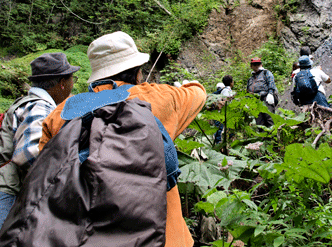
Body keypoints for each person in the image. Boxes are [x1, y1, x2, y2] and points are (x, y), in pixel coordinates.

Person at [38, 31, 207, 247]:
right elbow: (198, 93)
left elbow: (44, 171)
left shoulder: (61, 114)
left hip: (87, 237)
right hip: (165, 237)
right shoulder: (162, 98)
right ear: (137, 71)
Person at [0, 52, 79, 227]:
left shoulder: (29, 102)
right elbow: (28, 154)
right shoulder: (40, 107)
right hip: (7, 193)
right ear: (62, 83)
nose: (73, 84)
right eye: (72, 78)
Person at [246, 57, 277, 127]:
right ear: (251, 66)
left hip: (266, 99)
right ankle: (263, 137)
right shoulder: (250, 79)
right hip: (255, 102)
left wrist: (270, 93)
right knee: (259, 122)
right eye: (254, 64)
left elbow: (271, 83)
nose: (256, 65)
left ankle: (272, 137)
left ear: (261, 64)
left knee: (269, 120)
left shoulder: (266, 73)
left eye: (258, 64)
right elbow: (247, 90)